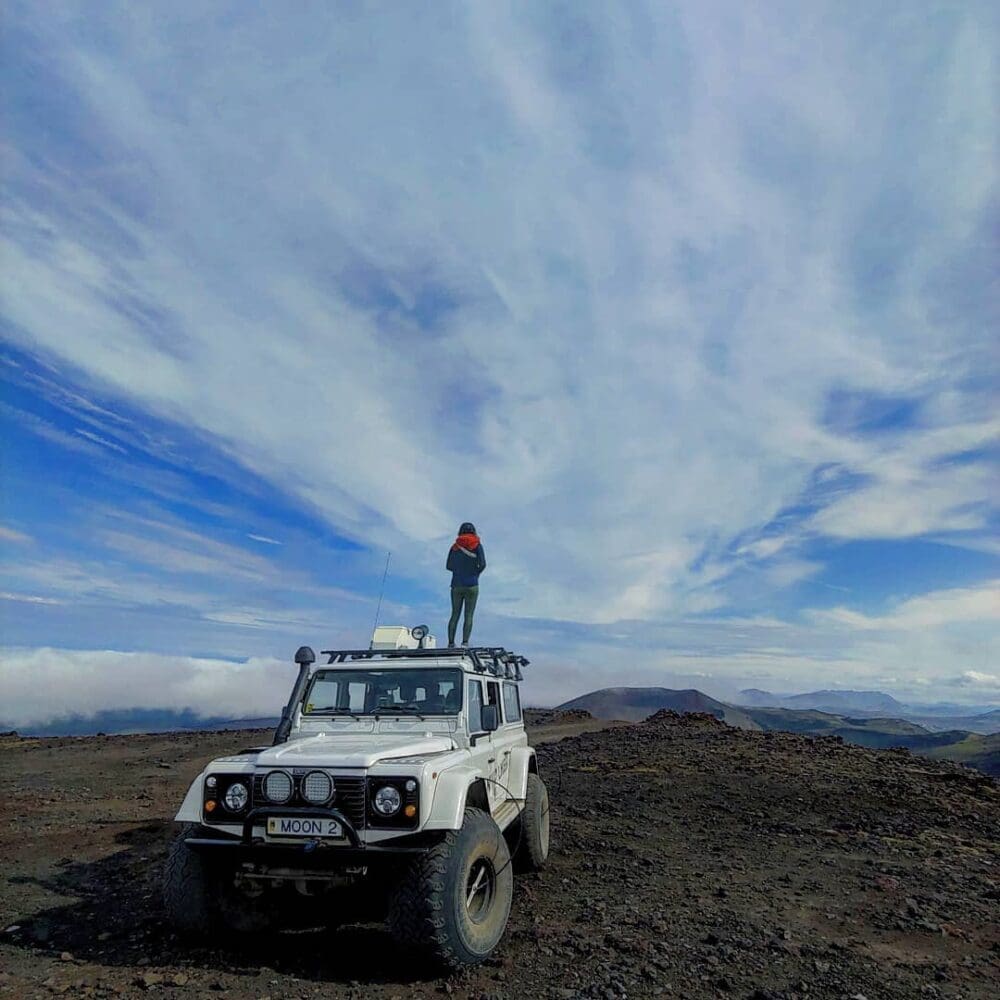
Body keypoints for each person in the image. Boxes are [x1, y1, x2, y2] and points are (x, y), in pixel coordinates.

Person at [446, 521, 486, 647]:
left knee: (454, 614)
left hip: (456, 585)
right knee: (468, 615)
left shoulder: (454, 547)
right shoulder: (477, 545)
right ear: (473, 531)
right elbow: (483, 564)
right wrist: (475, 574)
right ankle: (465, 642)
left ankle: (451, 643)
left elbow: (448, 566)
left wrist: (459, 571)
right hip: (472, 584)